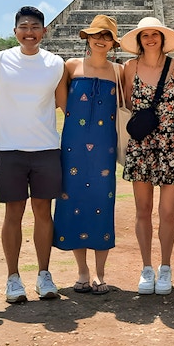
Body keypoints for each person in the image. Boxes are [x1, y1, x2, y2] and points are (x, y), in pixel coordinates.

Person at [0, 6, 67, 303]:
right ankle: (13, 277)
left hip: (46, 148)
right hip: (10, 150)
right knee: (13, 214)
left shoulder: (55, 64)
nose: (30, 32)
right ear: (15, 32)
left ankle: (44, 274)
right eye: (24, 27)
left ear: (44, 32)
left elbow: (66, 106)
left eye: (35, 27)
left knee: (43, 213)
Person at [53, 15, 123, 294]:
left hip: (104, 146)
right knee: (73, 202)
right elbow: (61, 100)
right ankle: (82, 271)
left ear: (113, 43)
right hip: (73, 145)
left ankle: (100, 273)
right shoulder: (70, 66)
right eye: (96, 34)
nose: (101, 40)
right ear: (87, 37)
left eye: (107, 36)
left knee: (102, 203)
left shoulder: (119, 71)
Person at [120, 17, 174, 295]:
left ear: (162, 38)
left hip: (169, 144)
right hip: (140, 146)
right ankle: (147, 267)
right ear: (139, 40)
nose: (149, 39)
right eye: (144, 35)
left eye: (154, 35)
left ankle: (166, 267)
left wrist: (170, 126)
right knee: (143, 210)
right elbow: (125, 103)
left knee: (167, 212)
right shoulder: (129, 67)